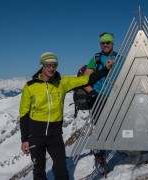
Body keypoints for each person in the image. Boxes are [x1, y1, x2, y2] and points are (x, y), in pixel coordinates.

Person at [19, 51, 114, 180]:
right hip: (35, 135)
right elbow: (24, 114)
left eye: (54, 65)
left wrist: (105, 70)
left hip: (55, 135)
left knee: (61, 169)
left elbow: (86, 79)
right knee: (39, 171)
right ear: (42, 65)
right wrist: (24, 139)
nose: (52, 68)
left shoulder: (62, 83)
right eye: (48, 65)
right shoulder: (30, 86)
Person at [83, 32, 120, 173]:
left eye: (108, 42)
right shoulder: (96, 59)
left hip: (116, 97)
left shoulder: (120, 59)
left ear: (112, 43)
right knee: (99, 129)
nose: (105, 45)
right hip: (99, 97)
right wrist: (92, 93)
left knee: (118, 124)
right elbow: (85, 79)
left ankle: (124, 147)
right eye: (102, 43)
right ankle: (100, 157)